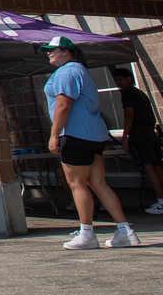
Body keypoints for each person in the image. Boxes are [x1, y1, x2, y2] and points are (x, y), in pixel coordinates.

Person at [41, 35, 139, 250]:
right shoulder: (79, 70)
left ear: (67, 51)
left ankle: (87, 234)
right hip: (94, 135)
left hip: (76, 134)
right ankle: (125, 231)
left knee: (77, 184)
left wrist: (55, 134)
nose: (49, 53)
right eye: (47, 50)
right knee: (98, 183)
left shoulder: (66, 72)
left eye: (53, 50)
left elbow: (63, 105)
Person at [112, 67, 163, 215]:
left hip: (139, 133)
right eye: (116, 80)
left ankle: (162, 201)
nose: (118, 83)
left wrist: (125, 135)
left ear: (129, 79)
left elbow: (129, 114)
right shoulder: (141, 93)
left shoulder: (128, 93)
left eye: (120, 79)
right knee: (157, 166)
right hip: (149, 132)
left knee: (148, 166)